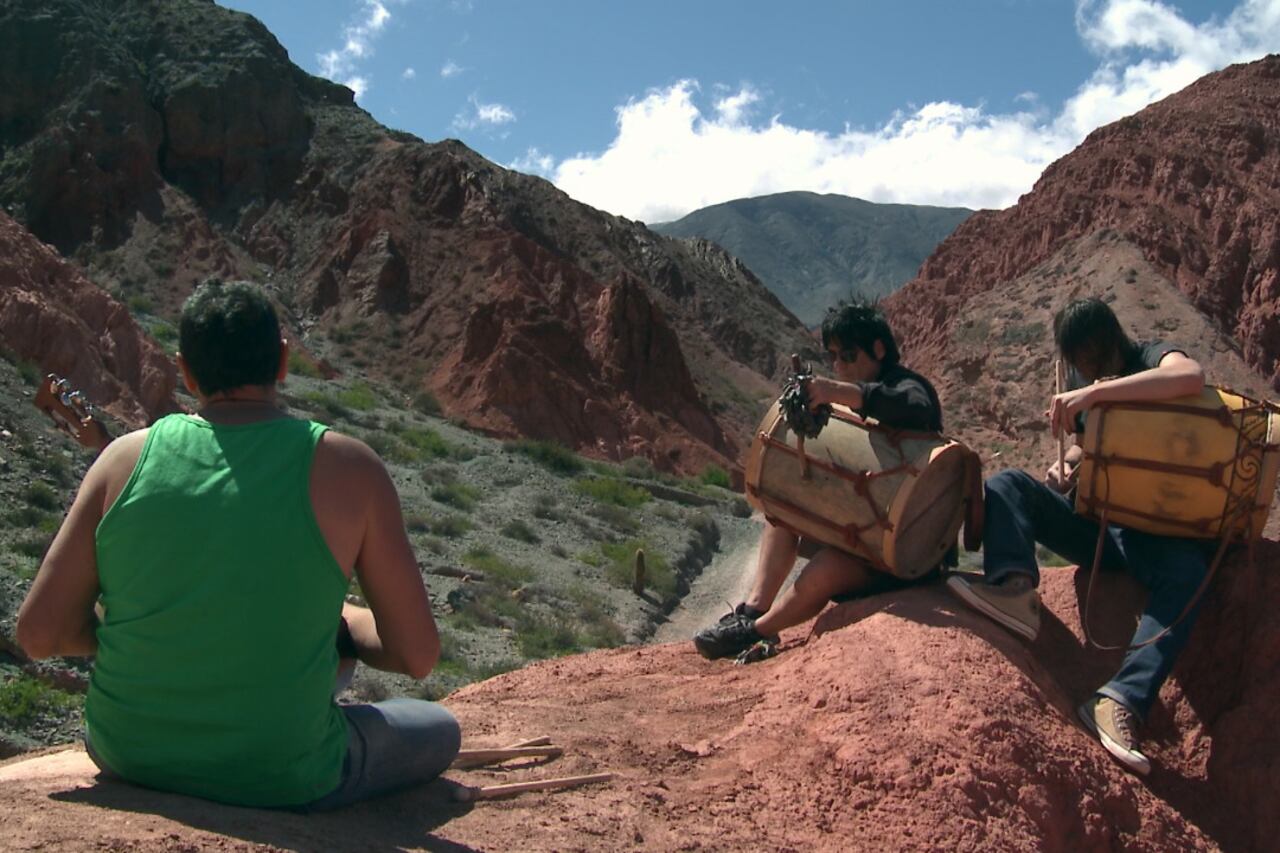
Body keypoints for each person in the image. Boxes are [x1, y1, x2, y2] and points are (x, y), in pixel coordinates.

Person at [16, 279, 460, 810]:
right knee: (439, 728)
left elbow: (39, 634)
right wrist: (341, 621)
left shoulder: (121, 459)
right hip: (286, 773)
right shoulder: (352, 468)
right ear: (282, 362)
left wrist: (161, 628)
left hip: (126, 752)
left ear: (184, 369)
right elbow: (416, 654)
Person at [947, 297, 1208, 776]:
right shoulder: (1085, 380)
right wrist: (1066, 466)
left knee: (1187, 573)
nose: (1083, 367)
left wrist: (1095, 395)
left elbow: (1190, 377)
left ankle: (1120, 701)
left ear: (1107, 339)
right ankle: (1013, 589)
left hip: (1147, 528)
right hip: (1098, 525)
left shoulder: (1149, 357)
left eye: (1088, 354)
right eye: (1077, 360)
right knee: (1008, 484)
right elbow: (1092, 451)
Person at [693, 299, 946, 663]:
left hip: (904, 556)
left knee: (828, 566)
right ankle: (751, 610)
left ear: (878, 349)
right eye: (833, 357)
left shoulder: (908, 385)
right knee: (782, 516)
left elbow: (914, 409)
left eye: (847, 355)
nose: (839, 366)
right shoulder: (853, 396)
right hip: (862, 535)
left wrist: (836, 392)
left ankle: (756, 632)